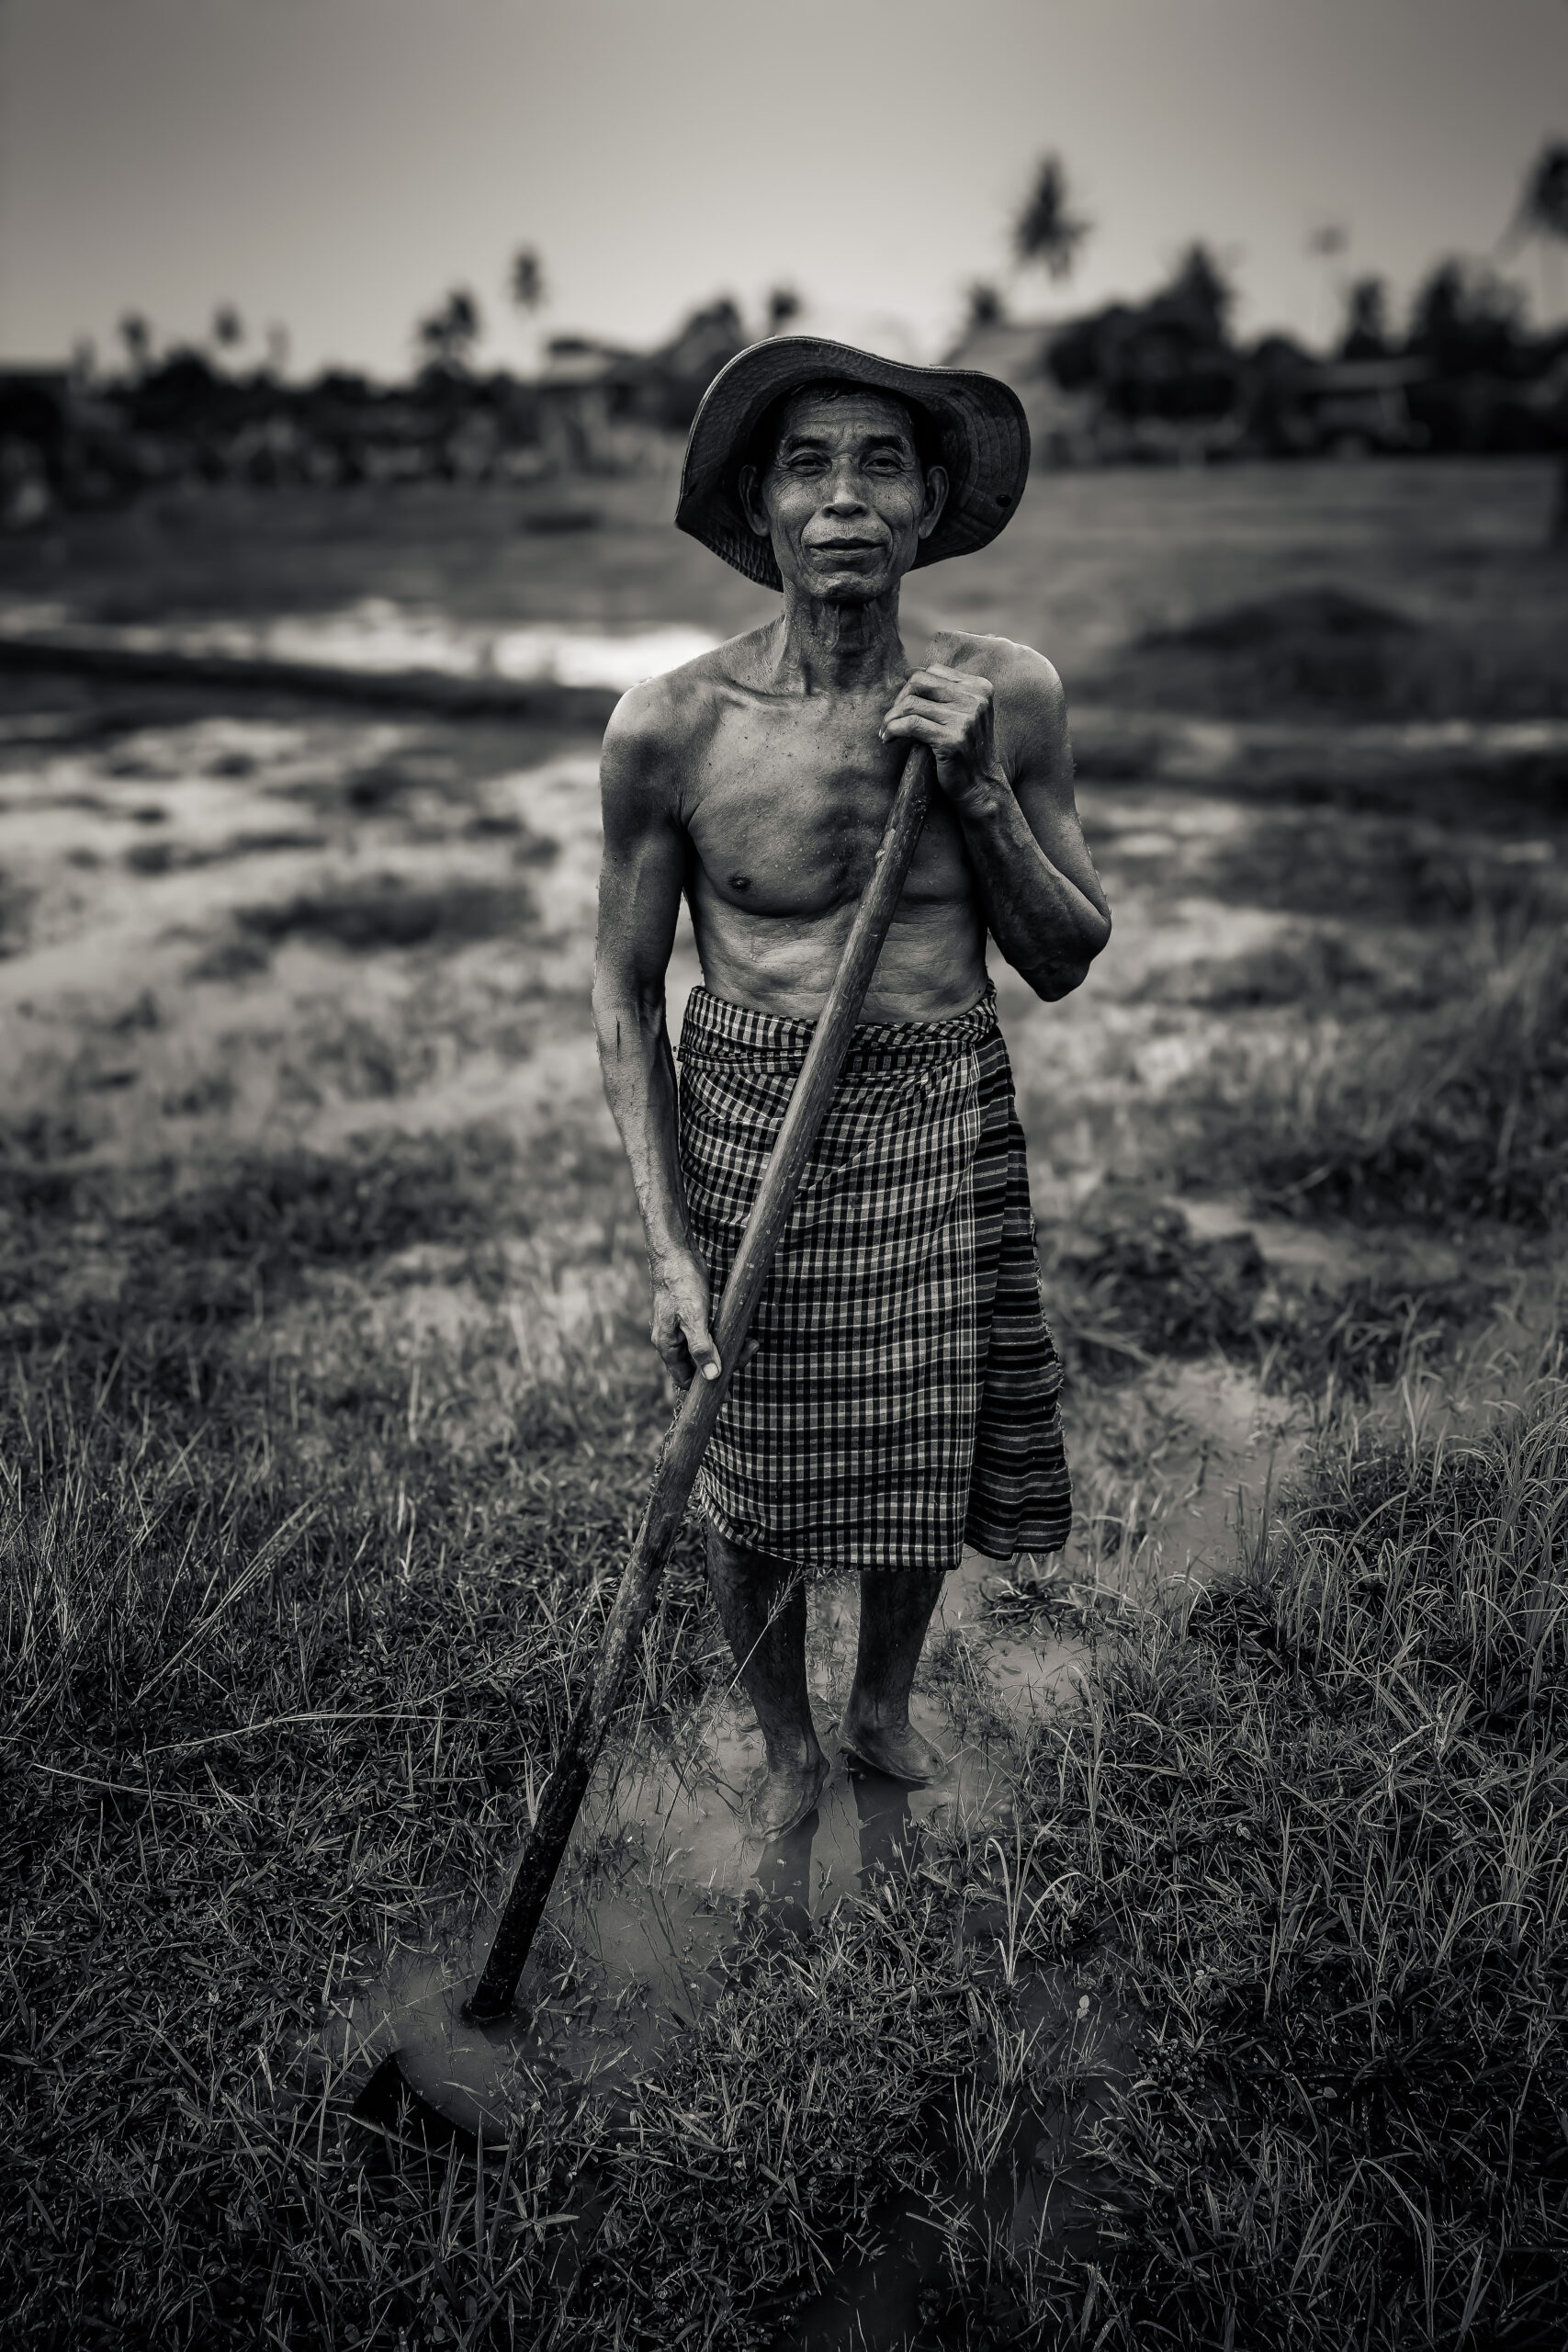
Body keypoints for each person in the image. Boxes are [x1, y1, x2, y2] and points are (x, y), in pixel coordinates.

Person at [592, 338, 1111, 1835]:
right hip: (752, 1113)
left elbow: (1069, 956)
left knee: (922, 1437)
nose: (844, 501)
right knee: (740, 1465)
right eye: (808, 466)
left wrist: (982, 796)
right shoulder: (670, 730)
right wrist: (666, 1243)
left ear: (931, 499)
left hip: (939, 1102)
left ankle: (880, 1707)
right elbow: (625, 995)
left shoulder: (1006, 697)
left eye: (882, 464)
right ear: (760, 506)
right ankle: (784, 1746)